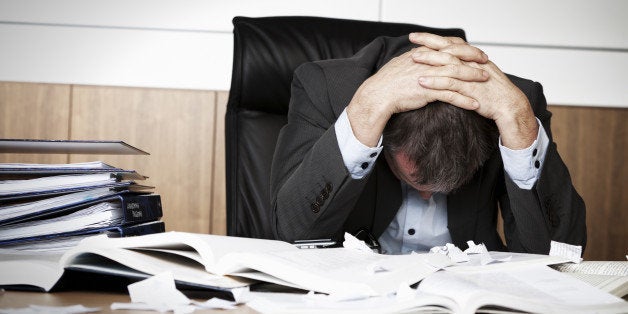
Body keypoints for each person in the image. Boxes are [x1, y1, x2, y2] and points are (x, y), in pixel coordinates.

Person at [269, 32, 586, 254]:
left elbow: (559, 254)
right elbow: (294, 234)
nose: (427, 194)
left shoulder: (512, 105)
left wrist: (519, 126)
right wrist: (363, 112)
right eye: (412, 179)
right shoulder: (327, 88)